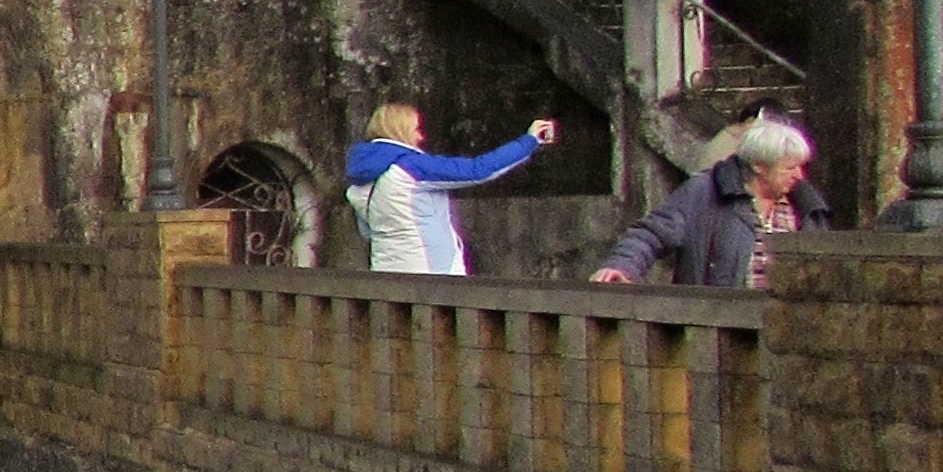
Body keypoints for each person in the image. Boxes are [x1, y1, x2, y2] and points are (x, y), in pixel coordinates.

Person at [591, 117, 826, 290]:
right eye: (789, 167)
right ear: (758, 166)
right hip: (717, 331)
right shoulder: (705, 192)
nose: (799, 176)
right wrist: (621, 266)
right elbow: (651, 235)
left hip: (785, 334)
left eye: (801, 166)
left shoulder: (807, 207)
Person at [344, 102, 558, 275]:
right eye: (416, 129)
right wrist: (529, 141)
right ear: (400, 130)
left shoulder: (359, 180)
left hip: (385, 274)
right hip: (430, 275)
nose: (421, 137)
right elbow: (479, 170)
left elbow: (367, 232)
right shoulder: (411, 167)